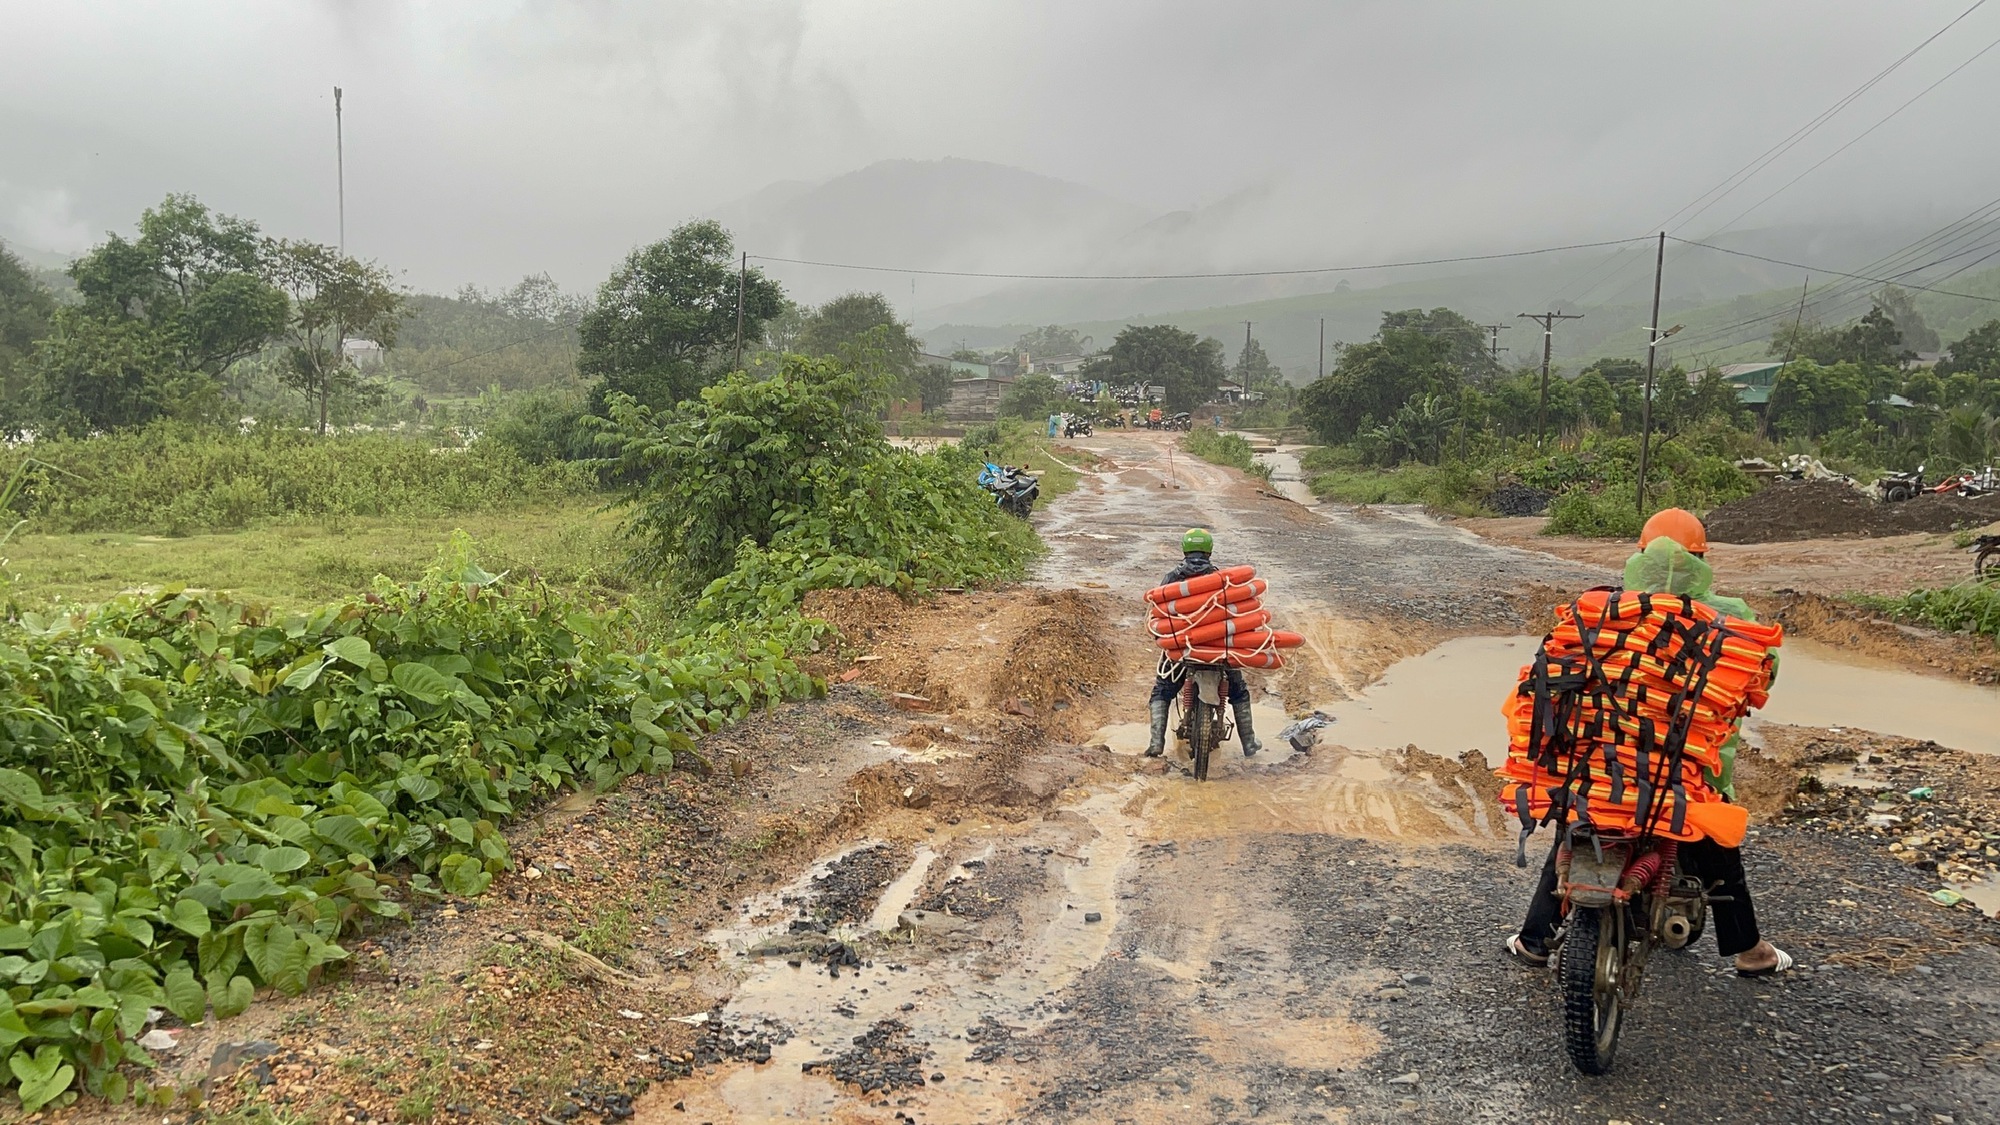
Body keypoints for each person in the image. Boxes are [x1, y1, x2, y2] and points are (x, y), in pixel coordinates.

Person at [1504, 508, 1791, 977]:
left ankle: (1535, 939)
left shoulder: (1604, 612)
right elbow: (1764, 675)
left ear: (1638, 557)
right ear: (1702, 559)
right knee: (1718, 852)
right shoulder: (1731, 617)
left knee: (1576, 825)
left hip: (1600, 767)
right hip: (1684, 774)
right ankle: (1749, 951)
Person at [1146, 528, 1262, 760]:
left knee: (1162, 690)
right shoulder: (1223, 580)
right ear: (1209, 550)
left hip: (1184, 650)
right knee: (1238, 690)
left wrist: (1163, 638)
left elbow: (1158, 613)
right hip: (1220, 649)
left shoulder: (1171, 579)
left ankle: (1156, 743)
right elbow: (1237, 616)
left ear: (1184, 549)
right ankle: (1249, 742)